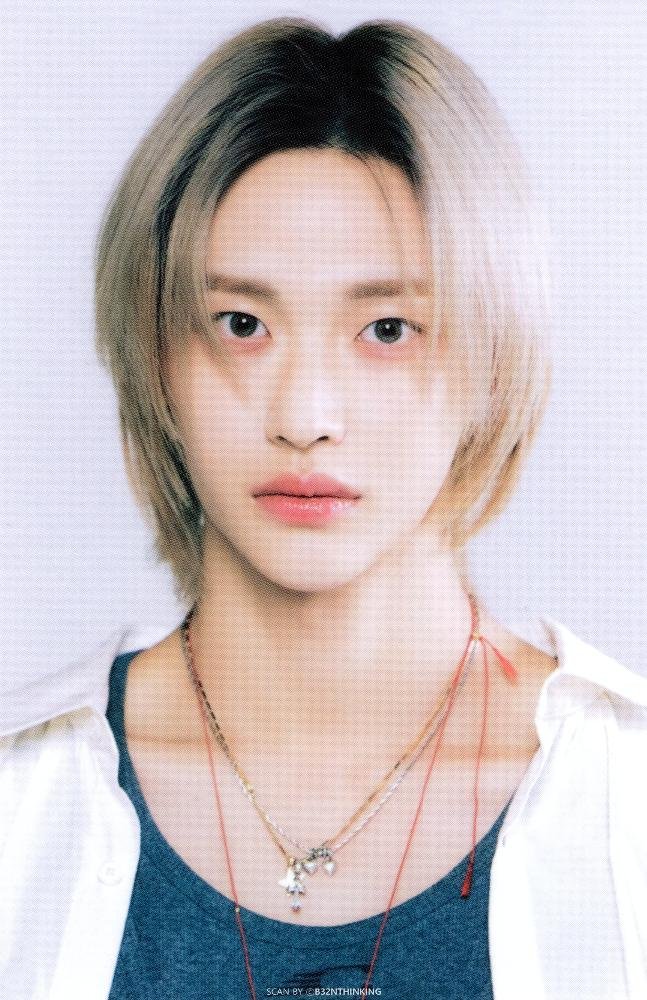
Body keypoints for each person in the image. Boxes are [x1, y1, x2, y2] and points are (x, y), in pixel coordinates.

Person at [1, 16, 646, 1000]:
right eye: (241, 324)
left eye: (386, 328)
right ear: (157, 359)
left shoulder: (624, 800)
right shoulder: (22, 805)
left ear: (492, 352)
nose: (304, 417)